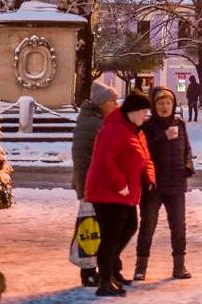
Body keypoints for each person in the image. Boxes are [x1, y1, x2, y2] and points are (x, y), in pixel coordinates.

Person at [84, 92, 155, 298]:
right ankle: (105, 282)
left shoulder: (135, 131)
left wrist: (149, 178)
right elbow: (105, 160)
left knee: (129, 227)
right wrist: (121, 184)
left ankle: (111, 271)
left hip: (126, 194)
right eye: (143, 111)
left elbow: (145, 158)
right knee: (110, 236)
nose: (145, 115)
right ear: (132, 112)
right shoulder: (113, 129)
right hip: (107, 193)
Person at [135, 87, 193, 281]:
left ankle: (179, 266)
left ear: (173, 104)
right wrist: (162, 137)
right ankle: (140, 267)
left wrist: (188, 165)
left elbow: (186, 149)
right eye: (160, 103)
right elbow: (142, 152)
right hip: (153, 186)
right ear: (154, 105)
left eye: (168, 103)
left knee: (178, 227)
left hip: (176, 184)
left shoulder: (180, 124)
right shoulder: (147, 126)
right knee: (148, 225)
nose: (165, 106)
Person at [73, 81, 118, 288]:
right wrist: (85, 190)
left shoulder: (98, 120)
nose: (115, 104)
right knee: (90, 230)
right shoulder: (92, 123)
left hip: (99, 185)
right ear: (101, 103)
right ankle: (89, 272)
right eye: (112, 100)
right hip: (92, 187)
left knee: (101, 229)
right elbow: (83, 160)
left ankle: (103, 269)